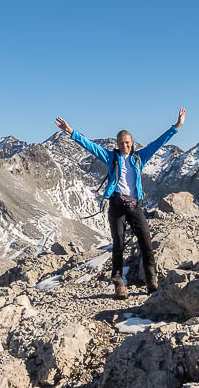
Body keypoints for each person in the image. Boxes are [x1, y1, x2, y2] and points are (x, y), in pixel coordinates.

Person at [55, 108, 186, 300]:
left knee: (146, 243)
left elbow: (159, 143)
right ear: (117, 144)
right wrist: (70, 131)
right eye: (121, 143)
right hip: (117, 206)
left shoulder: (139, 157)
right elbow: (90, 146)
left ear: (132, 143)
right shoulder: (111, 158)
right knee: (118, 245)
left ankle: (151, 281)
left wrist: (177, 126)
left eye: (127, 142)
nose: (125, 145)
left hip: (135, 206)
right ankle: (118, 284)